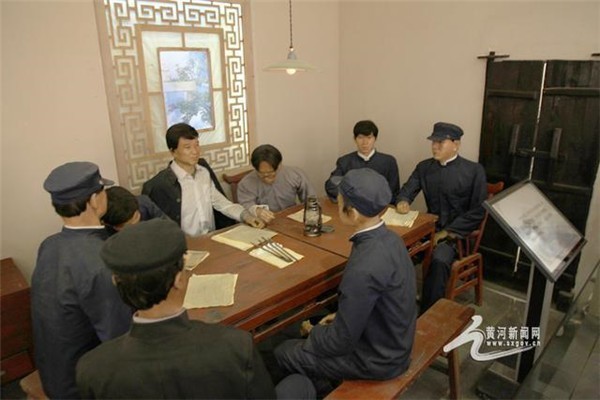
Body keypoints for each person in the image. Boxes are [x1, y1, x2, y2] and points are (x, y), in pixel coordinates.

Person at [76, 219, 315, 399]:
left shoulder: (93, 369)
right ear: (179, 278)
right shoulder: (235, 345)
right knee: (300, 384)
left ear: (116, 282)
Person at [275, 168, 417, 396]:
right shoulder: (391, 238)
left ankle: (322, 391)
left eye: (340, 199)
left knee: (284, 351)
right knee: (317, 332)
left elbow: (341, 342)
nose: (337, 200)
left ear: (353, 213)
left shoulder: (364, 266)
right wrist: (341, 317)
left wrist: (313, 332)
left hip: (378, 360)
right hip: (394, 341)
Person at [31, 161, 132, 399]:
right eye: (103, 191)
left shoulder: (49, 245)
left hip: (54, 374)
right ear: (94, 200)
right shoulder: (103, 260)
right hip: (83, 386)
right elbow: (120, 339)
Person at [396, 122, 487, 311]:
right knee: (396, 252)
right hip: (429, 229)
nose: (435, 147)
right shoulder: (424, 167)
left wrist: (447, 233)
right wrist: (403, 201)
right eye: (433, 142)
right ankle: (398, 305)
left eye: (440, 142)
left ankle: (429, 312)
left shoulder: (473, 171)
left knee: (439, 259)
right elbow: (407, 190)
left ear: (456, 144)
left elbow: (478, 211)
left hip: (456, 236)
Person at [142, 123, 264, 236]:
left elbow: (221, 203)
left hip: (211, 238)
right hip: (186, 245)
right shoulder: (161, 185)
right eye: (187, 147)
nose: (195, 151)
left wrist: (246, 216)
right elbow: (159, 229)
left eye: (197, 145)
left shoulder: (203, 172)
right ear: (173, 152)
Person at [325, 120, 400, 204]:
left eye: (369, 137)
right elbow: (331, 186)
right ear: (355, 139)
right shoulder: (345, 161)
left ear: (375, 139)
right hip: (352, 207)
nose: (365, 142)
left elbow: (393, 192)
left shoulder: (388, 162)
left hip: (380, 207)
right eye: (360, 137)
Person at [237, 144, 316, 223]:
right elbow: (245, 206)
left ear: (279, 165)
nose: (267, 178)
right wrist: (256, 210)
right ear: (255, 168)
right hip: (264, 222)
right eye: (262, 174)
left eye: (271, 173)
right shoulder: (246, 184)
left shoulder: (295, 175)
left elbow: (311, 198)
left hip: (290, 219)